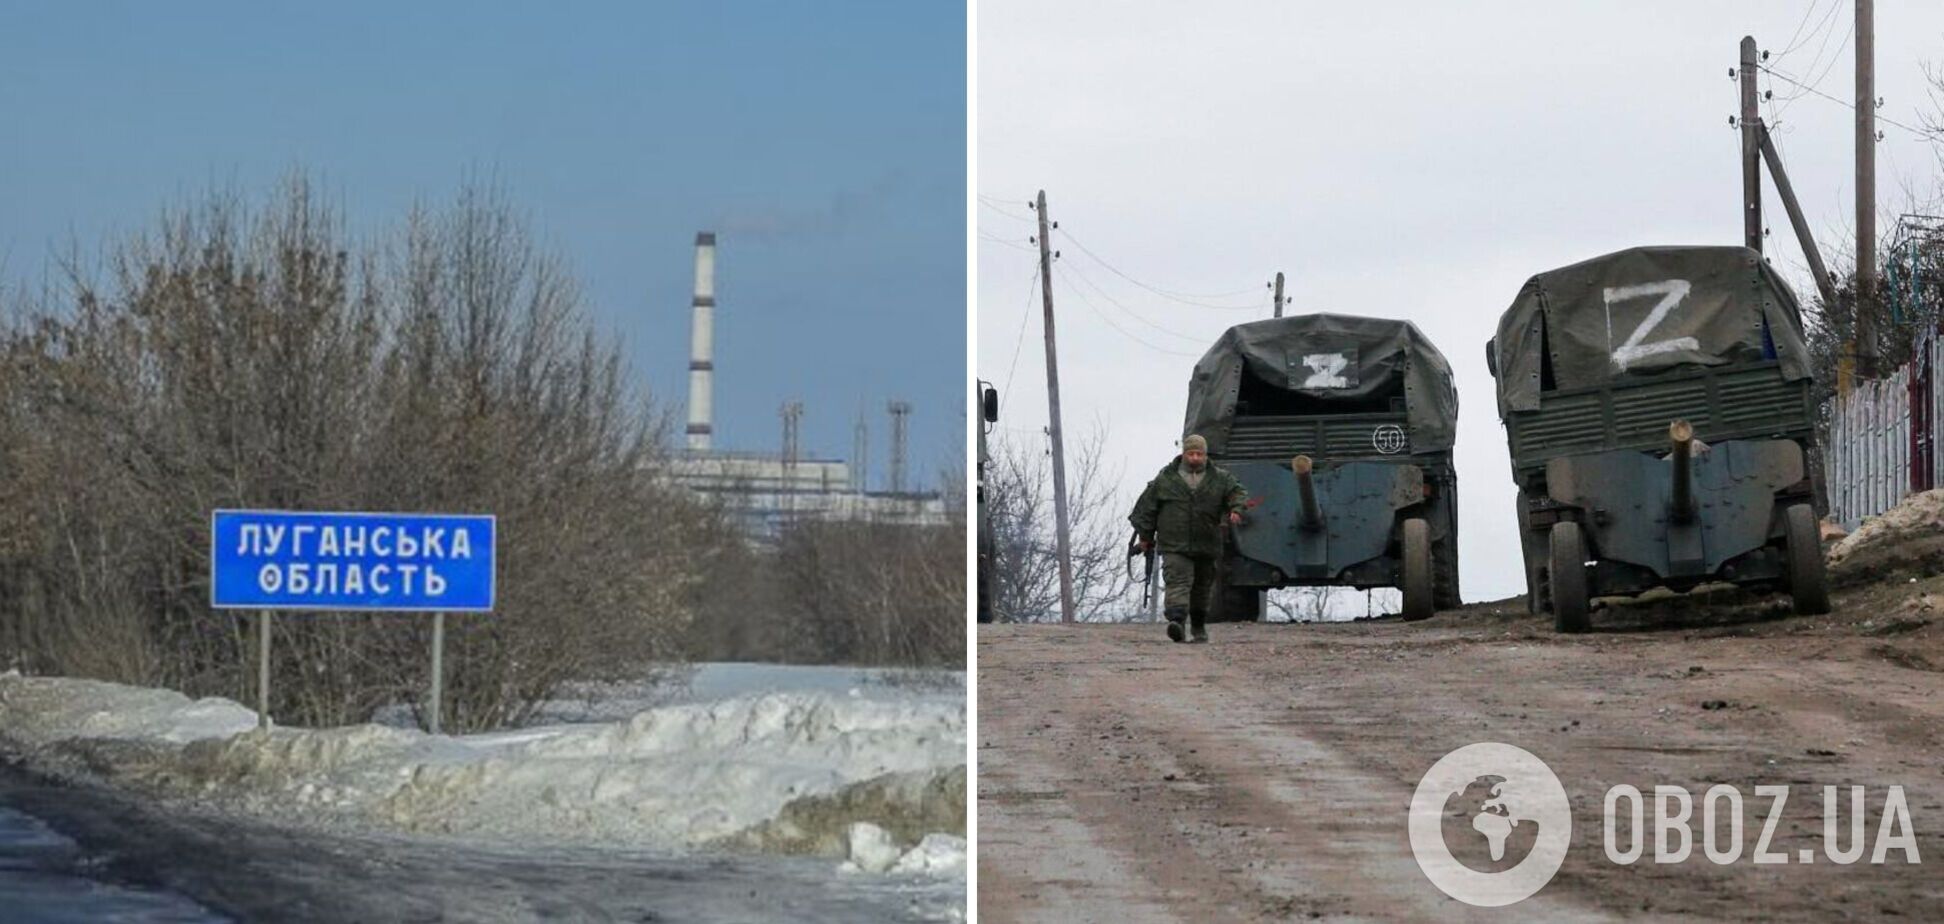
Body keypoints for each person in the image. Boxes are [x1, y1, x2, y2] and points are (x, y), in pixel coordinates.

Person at [1128, 434, 1247, 643]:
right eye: (1191, 453)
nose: (1194, 458)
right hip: (1174, 543)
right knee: (1177, 581)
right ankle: (1177, 621)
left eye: (1199, 454)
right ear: (1183, 454)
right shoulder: (1166, 479)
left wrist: (1236, 509)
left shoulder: (1219, 478)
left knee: (1202, 586)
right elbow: (1146, 509)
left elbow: (1237, 493)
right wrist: (1146, 537)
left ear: (1205, 455)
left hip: (1207, 542)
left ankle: (1199, 627)